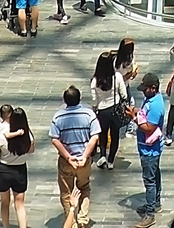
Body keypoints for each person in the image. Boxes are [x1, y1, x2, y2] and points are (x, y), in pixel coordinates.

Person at [50, 87, 98, 228]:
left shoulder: (58, 117)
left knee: (66, 192)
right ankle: (83, 218)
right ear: (79, 99)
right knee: (84, 187)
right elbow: (94, 137)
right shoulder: (89, 114)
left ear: (65, 100)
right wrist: (84, 156)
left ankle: (71, 223)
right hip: (84, 161)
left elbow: (54, 139)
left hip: (66, 162)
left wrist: (68, 156)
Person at [0, 107, 36, 228]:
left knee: (5, 202)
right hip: (20, 170)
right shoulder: (28, 137)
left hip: (4, 169)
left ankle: (6, 226)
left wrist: (1, 153)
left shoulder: (3, 136)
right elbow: (31, 150)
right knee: (20, 203)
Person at [133, 71, 168, 216]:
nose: (143, 92)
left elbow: (149, 128)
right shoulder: (151, 100)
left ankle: (150, 213)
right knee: (154, 176)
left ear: (153, 88)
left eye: (145, 89)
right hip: (148, 148)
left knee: (149, 181)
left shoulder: (155, 106)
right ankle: (154, 203)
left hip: (150, 151)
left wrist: (133, 118)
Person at [91, 50, 129, 169]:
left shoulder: (95, 80)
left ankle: (102, 156)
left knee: (102, 134)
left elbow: (94, 100)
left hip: (102, 111)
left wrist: (95, 109)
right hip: (115, 109)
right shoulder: (116, 77)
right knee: (114, 135)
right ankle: (111, 160)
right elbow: (124, 94)